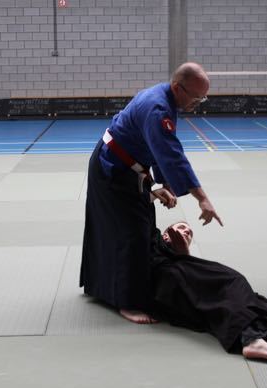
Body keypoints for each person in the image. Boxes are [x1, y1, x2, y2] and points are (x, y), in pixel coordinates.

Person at [80, 62, 223, 325]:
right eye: (196, 97)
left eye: (203, 98)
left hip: (126, 165)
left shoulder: (166, 99)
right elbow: (171, 155)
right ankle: (128, 302)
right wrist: (202, 198)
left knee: (137, 227)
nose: (198, 103)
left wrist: (166, 185)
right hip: (113, 168)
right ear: (178, 87)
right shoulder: (158, 109)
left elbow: (156, 146)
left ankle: (99, 286)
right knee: (132, 233)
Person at [150, 221, 267, 364]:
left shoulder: (188, 264)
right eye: (182, 228)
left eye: (190, 233)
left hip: (186, 284)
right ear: (165, 235)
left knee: (242, 296)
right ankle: (254, 340)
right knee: (229, 289)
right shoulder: (156, 245)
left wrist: (184, 254)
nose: (187, 232)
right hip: (168, 288)